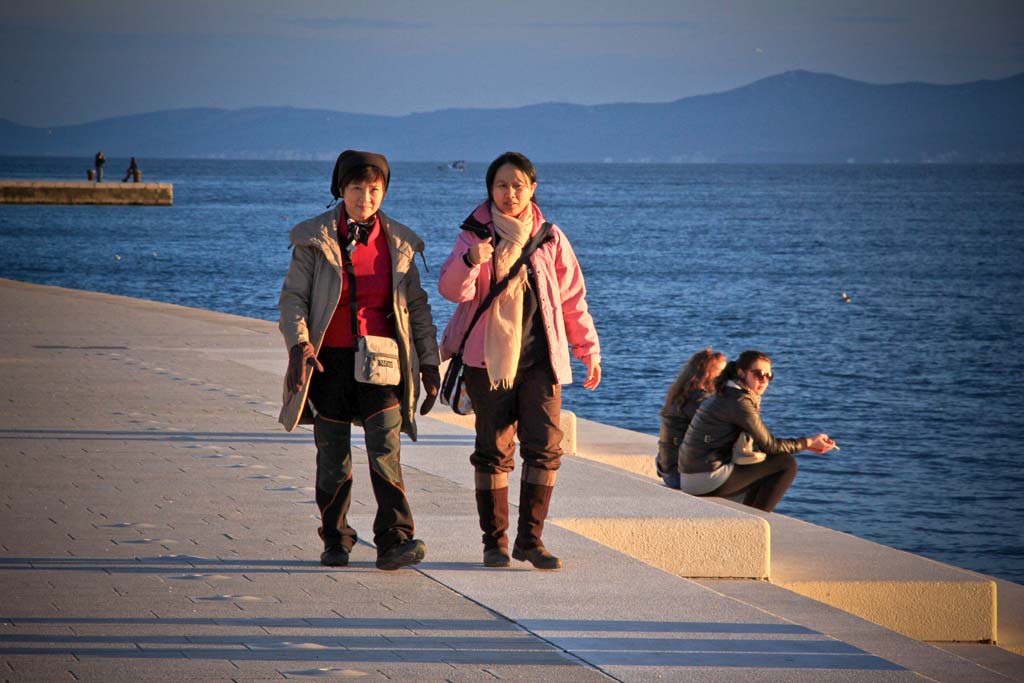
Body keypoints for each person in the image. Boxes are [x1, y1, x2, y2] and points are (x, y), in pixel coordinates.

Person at [278, 149, 441, 570]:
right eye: (356, 188)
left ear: (384, 191)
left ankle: (394, 540)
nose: (365, 198)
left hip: (384, 363)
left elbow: (418, 308)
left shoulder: (400, 242)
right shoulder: (314, 239)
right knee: (332, 456)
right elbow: (293, 299)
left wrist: (429, 362)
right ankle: (336, 539)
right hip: (327, 364)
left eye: (374, 189)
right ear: (340, 189)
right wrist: (299, 346)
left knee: (385, 449)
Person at [438, 151, 601, 570]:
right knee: (492, 451)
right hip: (487, 361)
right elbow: (452, 291)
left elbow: (572, 298)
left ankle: (531, 540)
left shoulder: (550, 238)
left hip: (541, 362)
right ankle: (494, 543)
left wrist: (587, 350)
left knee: (545, 448)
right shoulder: (474, 235)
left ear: (532, 188)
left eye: (518, 185)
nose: (510, 193)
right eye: (501, 185)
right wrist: (470, 261)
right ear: (490, 189)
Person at [678, 350, 836, 512]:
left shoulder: (727, 393)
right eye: (758, 374)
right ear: (741, 373)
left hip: (693, 476)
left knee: (763, 465)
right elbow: (770, 445)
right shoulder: (739, 401)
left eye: (769, 376)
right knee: (786, 463)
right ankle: (756, 519)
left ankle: (748, 517)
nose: (764, 380)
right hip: (704, 478)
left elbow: (762, 444)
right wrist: (808, 443)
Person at [656, 348, 727, 489]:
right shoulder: (700, 400)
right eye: (722, 372)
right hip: (679, 476)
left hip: (667, 469)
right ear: (708, 374)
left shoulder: (681, 396)